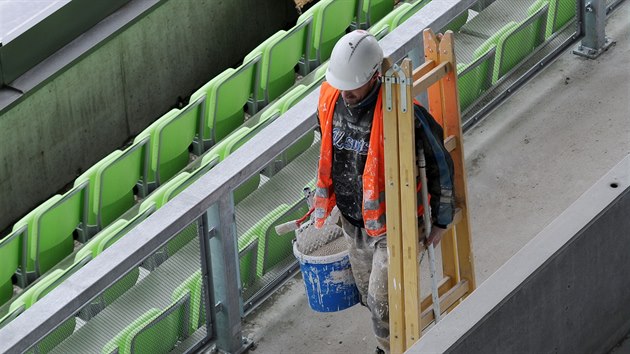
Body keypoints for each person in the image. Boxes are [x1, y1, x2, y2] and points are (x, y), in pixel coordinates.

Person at [312, 30, 455, 353]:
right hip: (354, 222)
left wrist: (442, 219)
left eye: (353, 86)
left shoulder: (404, 114)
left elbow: (439, 164)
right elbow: (328, 150)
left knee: (383, 299)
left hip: (395, 227)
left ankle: (390, 350)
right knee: (369, 297)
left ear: (374, 76)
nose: (345, 93)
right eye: (342, 85)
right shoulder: (330, 101)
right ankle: (388, 343)